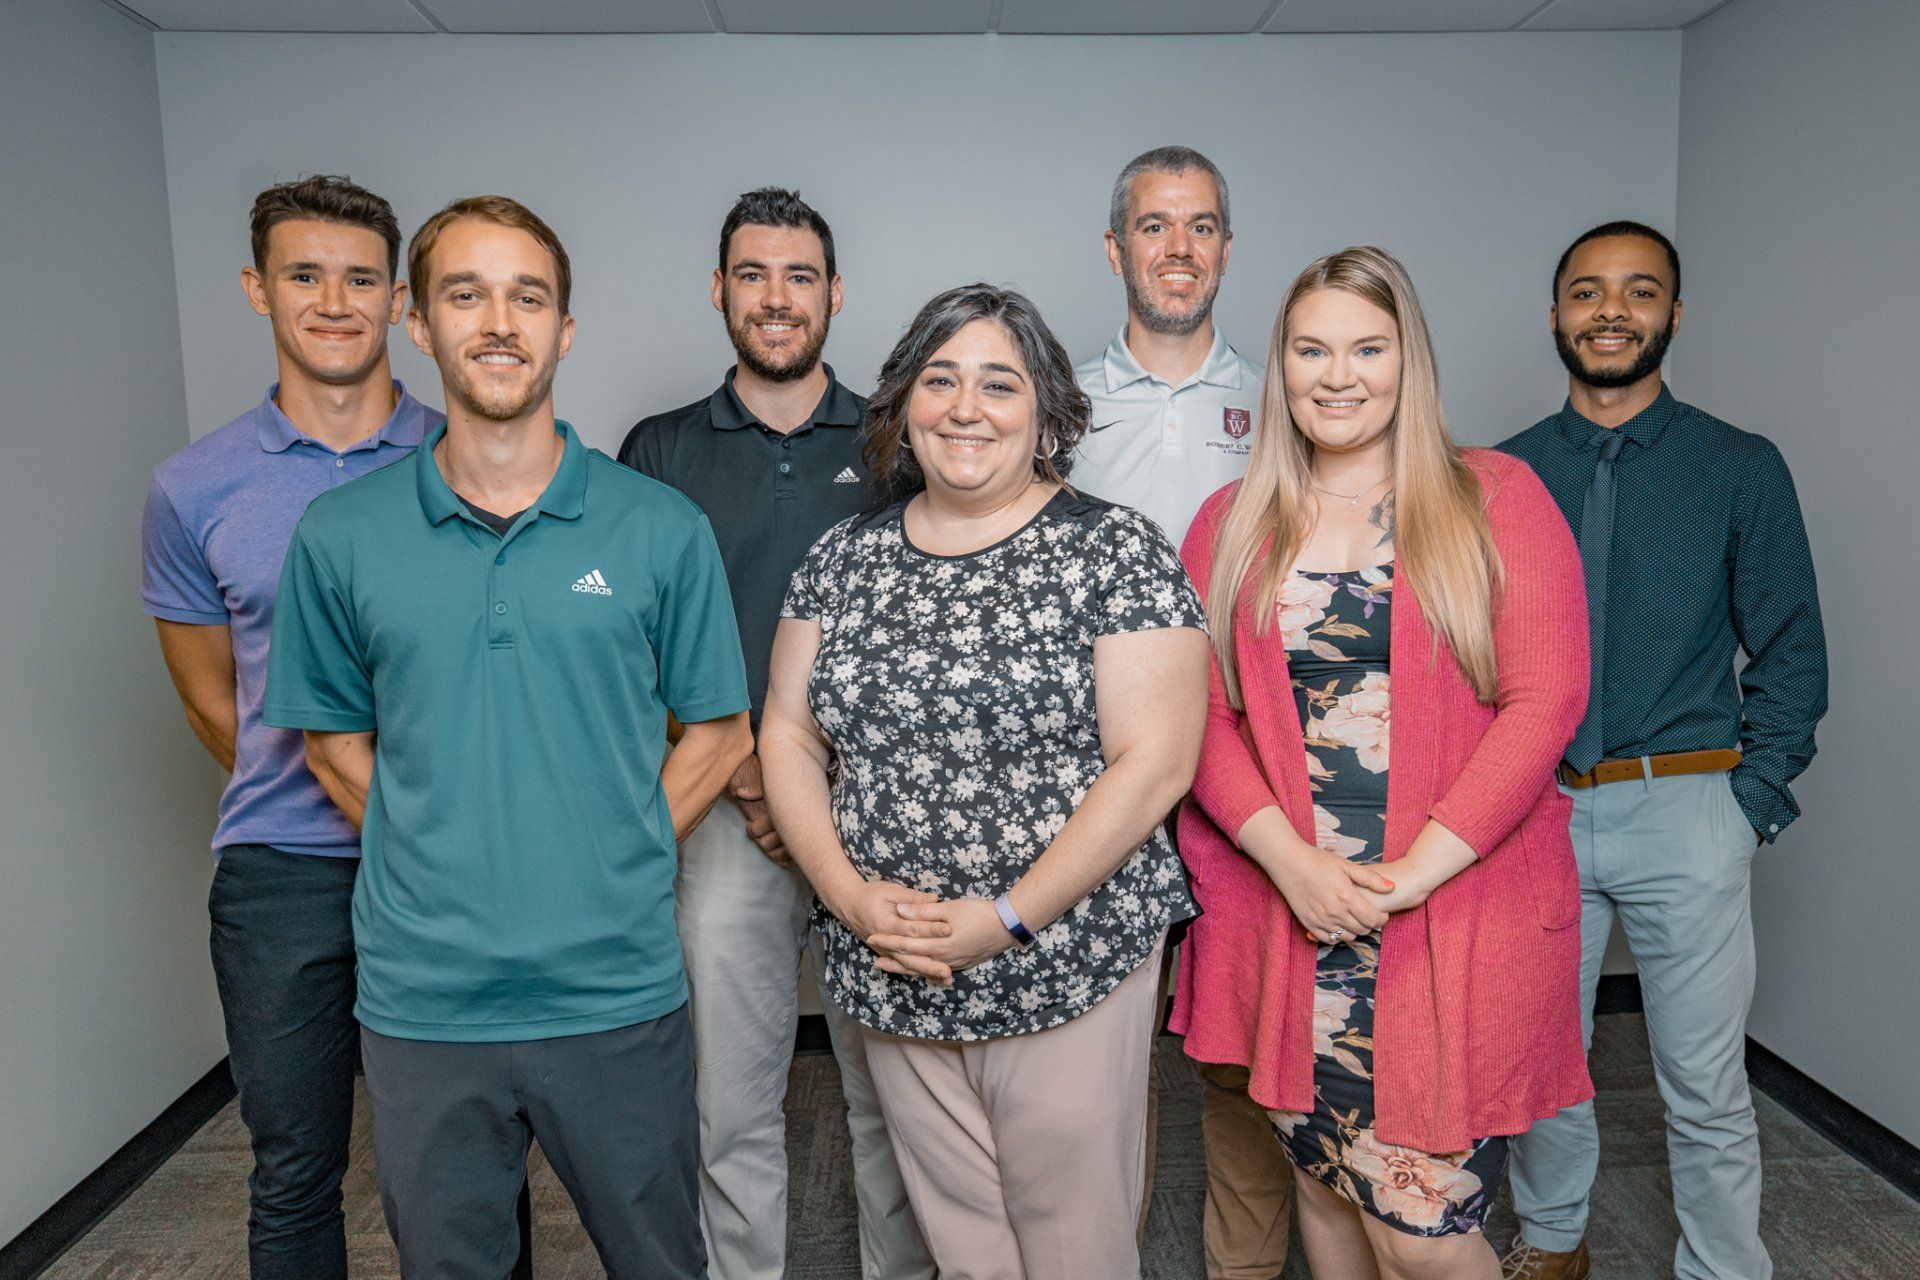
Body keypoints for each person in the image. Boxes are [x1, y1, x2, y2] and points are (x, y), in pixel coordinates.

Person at [264, 195, 752, 1279]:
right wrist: (438, 852)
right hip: (425, 997)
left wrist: (614, 848)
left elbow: (719, 734)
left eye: (528, 296)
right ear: (415, 321)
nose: (499, 320)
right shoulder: (341, 536)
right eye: (465, 293)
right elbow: (335, 745)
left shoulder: (657, 526)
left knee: (660, 1261)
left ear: (564, 328)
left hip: (613, 988)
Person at [759, 284, 1210, 1280]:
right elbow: (787, 731)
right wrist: (850, 896)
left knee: (1073, 1243)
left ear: (1046, 411)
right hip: (898, 960)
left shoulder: (1115, 549)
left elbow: (1157, 763)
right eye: (941, 379)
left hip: (1067, 956)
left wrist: (1005, 916)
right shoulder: (844, 557)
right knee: (964, 1245)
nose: (967, 407)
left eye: (999, 383)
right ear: (904, 407)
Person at [1173, 246, 1592, 1280]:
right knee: (1324, 1195)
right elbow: (1201, 721)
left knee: (1421, 1230)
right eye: (1312, 348)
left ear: (1410, 360)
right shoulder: (1230, 526)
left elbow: (1546, 702)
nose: (1339, 373)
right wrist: (1296, 868)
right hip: (1294, 919)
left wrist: (1402, 881)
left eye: (1368, 346)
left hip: (1446, 915)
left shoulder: (1494, 496)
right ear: (1281, 368)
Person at [140, 175, 532, 1280]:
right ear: (258, 289)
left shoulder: (478, 456)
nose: (333, 301)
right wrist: (334, 786)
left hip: (463, 861)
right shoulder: (193, 486)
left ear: (400, 300)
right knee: (296, 1165)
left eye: (361, 278)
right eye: (304, 274)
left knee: (477, 1161)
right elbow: (212, 694)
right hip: (284, 873)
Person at [1498, 222, 1827, 1280]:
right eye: (1587, 291)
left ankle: (1724, 1265)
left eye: (1639, 292)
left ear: (1673, 316)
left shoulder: (1741, 466)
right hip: (1537, 809)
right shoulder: (1497, 476)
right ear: (1553, 315)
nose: (1611, 309)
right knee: (1543, 1062)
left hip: (1688, 803)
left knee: (1704, 1075)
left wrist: (1751, 804)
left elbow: (1791, 651)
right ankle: (1552, 1240)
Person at [618, 188, 931, 1280]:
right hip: (722, 812)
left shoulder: (900, 437)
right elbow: (632, 637)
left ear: (835, 295)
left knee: (893, 1099)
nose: (777, 296)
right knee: (728, 1102)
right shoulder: (656, 450)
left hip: (874, 818)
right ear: (719, 291)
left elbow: (928, 618)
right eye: (752, 274)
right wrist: (752, 768)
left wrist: (824, 775)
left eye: (800, 275)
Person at [1073, 143, 1288, 1279]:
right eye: (1154, 226)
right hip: (1095, 769)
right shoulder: (1055, 400)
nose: (1178, 248)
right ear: (1116, 248)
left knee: (1239, 1046)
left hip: (1243, 771)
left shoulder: (1284, 396)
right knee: (1097, 1059)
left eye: (1201, 225)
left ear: (1227, 248)